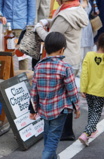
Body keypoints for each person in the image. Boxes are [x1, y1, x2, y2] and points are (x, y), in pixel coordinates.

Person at [34, 0, 88, 140]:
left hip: (62, 60)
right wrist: (49, 21)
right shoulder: (76, 8)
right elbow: (61, 24)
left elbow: (51, 38)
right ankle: (67, 131)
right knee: (67, 95)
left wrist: (39, 27)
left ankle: (59, 131)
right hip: (73, 58)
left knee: (58, 96)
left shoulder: (64, 15)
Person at [30, 32, 80, 159]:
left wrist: (32, 109)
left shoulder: (38, 66)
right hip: (59, 108)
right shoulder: (65, 67)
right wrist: (77, 107)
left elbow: (34, 90)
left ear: (45, 48)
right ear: (62, 49)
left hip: (44, 109)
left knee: (48, 135)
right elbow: (72, 90)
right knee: (53, 138)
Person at [78, 33, 104, 146]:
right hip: (100, 91)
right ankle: (86, 133)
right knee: (96, 113)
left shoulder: (89, 55)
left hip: (89, 90)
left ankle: (92, 131)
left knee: (91, 111)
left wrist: (83, 88)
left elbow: (84, 74)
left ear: (97, 43)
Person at [0, 0, 36, 70]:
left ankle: (23, 77)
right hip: (6, 25)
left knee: (22, 56)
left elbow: (32, 8)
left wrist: (29, 26)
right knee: (5, 54)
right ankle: (5, 77)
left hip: (21, 26)